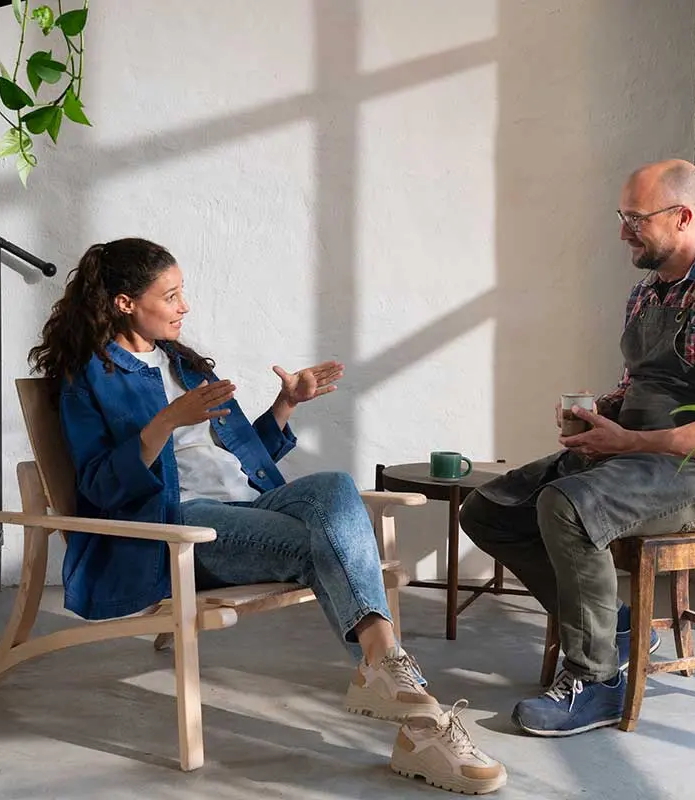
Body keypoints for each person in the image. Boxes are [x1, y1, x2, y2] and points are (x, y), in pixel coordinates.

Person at [27, 237, 506, 794]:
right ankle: (411, 701)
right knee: (317, 544)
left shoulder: (181, 362)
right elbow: (99, 486)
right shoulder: (89, 379)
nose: (185, 306)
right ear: (125, 304)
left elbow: (236, 459)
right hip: (177, 526)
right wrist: (165, 423)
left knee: (334, 487)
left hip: (248, 508)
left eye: (183, 293)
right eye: (171, 295)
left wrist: (287, 406)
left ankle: (391, 682)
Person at [460, 159, 695, 737]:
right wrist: (597, 415)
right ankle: (614, 625)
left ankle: (598, 683)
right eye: (623, 217)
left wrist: (628, 440)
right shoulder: (646, 294)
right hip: (634, 459)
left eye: (635, 218)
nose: (621, 232)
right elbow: (636, 384)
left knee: (565, 505)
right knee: (489, 509)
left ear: (683, 217)